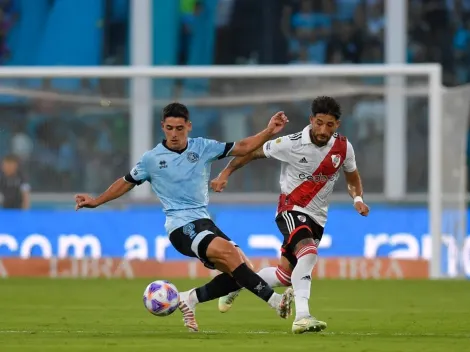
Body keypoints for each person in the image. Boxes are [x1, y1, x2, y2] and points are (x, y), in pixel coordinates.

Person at [74, 102, 294, 332]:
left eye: (179, 128)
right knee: (230, 254)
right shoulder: (151, 159)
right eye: (169, 128)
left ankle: (189, 298)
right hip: (181, 228)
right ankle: (276, 301)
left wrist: (269, 130)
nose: (174, 134)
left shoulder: (203, 147)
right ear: (163, 127)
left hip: (203, 221)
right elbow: (126, 182)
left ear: (189, 126)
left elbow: (244, 146)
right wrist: (97, 201)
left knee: (242, 271)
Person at [211, 96, 370, 334]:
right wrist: (225, 173)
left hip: (318, 218)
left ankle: (240, 284)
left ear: (337, 124)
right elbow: (252, 152)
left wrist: (357, 199)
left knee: (285, 275)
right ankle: (302, 317)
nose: (323, 129)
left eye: (329, 124)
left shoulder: (344, 148)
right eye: (319, 123)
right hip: (291, 209)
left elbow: (352, 176)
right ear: (311, 120)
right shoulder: (291, 143)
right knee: (308, 253)